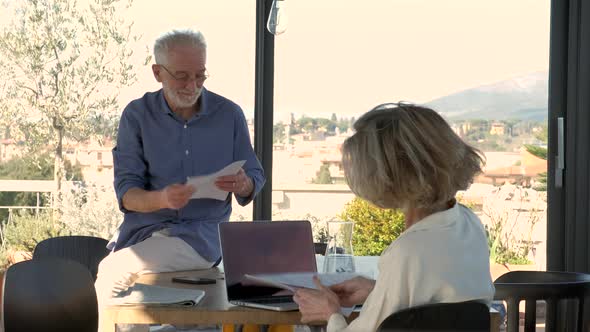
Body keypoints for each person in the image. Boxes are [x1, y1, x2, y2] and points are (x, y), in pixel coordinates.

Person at [95, 29, 265, 311]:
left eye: (200, 75)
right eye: (182, 76)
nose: (193, 85)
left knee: (113, 273)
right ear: (157, 73)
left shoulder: (229, 115)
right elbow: (127, 194)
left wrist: (244, 184)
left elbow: (255, 176)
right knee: (129, 301)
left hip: (201, 237)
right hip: (144, 233)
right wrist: (163, 199)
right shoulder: (136, 116)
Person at [293, 103, 495, 332]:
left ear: (390, 173)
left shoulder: (408, 250)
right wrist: (380, 290)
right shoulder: (469, 225)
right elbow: (438, 308)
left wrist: (330, 314)